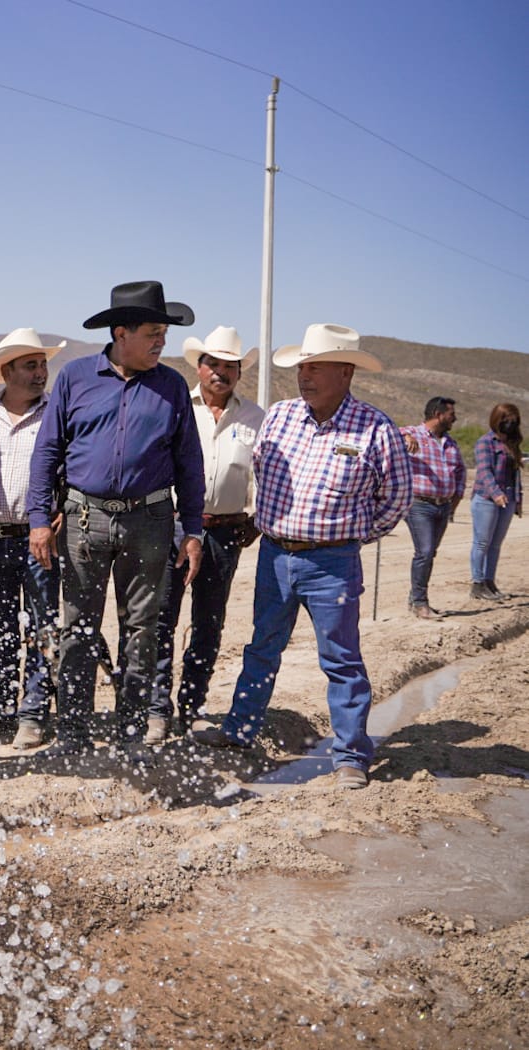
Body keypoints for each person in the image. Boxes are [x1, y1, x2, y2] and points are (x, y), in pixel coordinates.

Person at [195, 324, 412, 791]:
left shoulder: (376, 428)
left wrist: (347, 536)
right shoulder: (280, 417)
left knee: (341, 660)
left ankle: (351, 755)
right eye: (302, 367)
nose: (304, 376)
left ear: (345, 371)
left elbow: (395, 499)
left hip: (332, 564)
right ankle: (239, 731)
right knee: (262, 648)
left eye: (315, 367)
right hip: (275, 556)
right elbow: (258, 473)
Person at [27, 281, 204, 758]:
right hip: (84, 519)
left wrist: (192, 531)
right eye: (152, 333)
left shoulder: (171, 387)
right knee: (78, 627)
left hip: (151, 520)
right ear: (120, 332)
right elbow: (47, 451)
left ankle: (131, 732)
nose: (160, 342)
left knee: (143, 629)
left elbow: (190, 463)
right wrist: (39, 519)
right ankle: (74, 734)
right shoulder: (74, 378)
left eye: (164, 334)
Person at [144, 326, 266, 740]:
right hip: (174, 528)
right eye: (213, 364)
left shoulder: (255, 418)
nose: (221, 372)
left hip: (225, 533)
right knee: (162, 617)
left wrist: (254, 518)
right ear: (199, 367)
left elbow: (264, 475)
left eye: (230, 366)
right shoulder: (179, 407)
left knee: (208, 622)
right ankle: (157, 708)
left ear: (238, 372)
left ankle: (193, 707)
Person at [0, 329, 63, 750]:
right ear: (6, 371)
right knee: (1, 628)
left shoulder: (57, 415)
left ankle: (32, 713)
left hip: (39, 537)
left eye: (43, 364)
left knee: (43, 628)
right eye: (31, 365)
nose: (41, 373)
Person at [399, 397, 465, 617]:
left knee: (429, 553)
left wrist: (455, 500)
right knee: (425, 552)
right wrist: (405, 436)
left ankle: (416, 599)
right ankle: (419, 602)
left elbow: (459, 472)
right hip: (419, 504)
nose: (454, 417)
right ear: (438, 414)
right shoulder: (414, 433)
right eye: (451, 413)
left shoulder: (450, 443)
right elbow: (388, 432)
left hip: (443, 506)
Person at [469, 402, 523, 600]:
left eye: (514, 421)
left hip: (507, 497)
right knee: (482, 542)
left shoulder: (511, 444)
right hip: (486, 498)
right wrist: (496, 493)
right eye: (507, 420)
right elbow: (484, 471)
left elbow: (515, 473)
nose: (511, 424)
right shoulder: (485, 442)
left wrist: (516, 499)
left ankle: (489, 582)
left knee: (496, 544)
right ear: (497, 420)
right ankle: (477, 583)